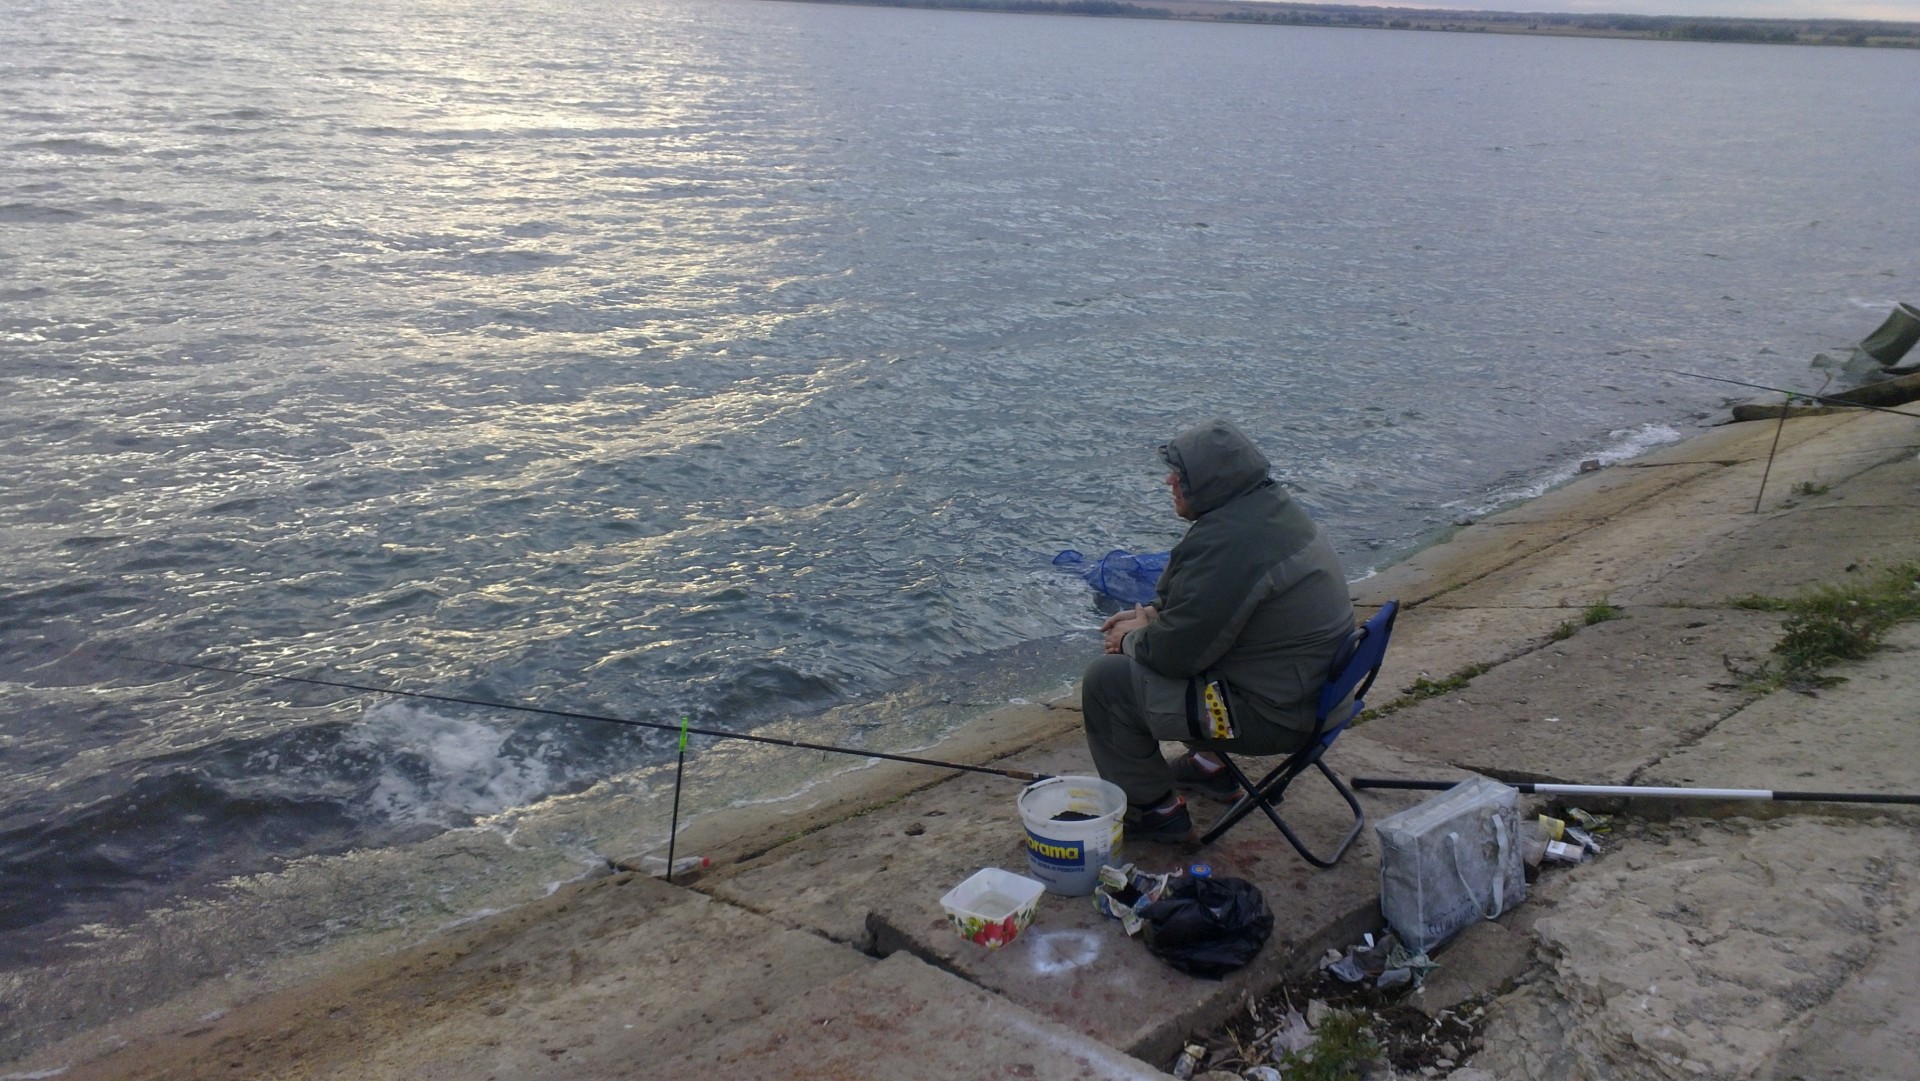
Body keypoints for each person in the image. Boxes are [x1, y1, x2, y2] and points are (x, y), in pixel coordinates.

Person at [1082, 418, 1355, 842]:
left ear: (1210, 482)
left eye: (1181, 474)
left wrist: (1130, 639)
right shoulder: (1270, 510)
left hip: (1278, 717)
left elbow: (1174, 657)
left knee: (1106, 682)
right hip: (1319, 698)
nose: (1170, 481)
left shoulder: (1230, 545)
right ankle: (1209, 767)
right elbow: (1219, 609)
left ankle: (1154, 811)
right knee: (1196, 651)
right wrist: (1152, 615)